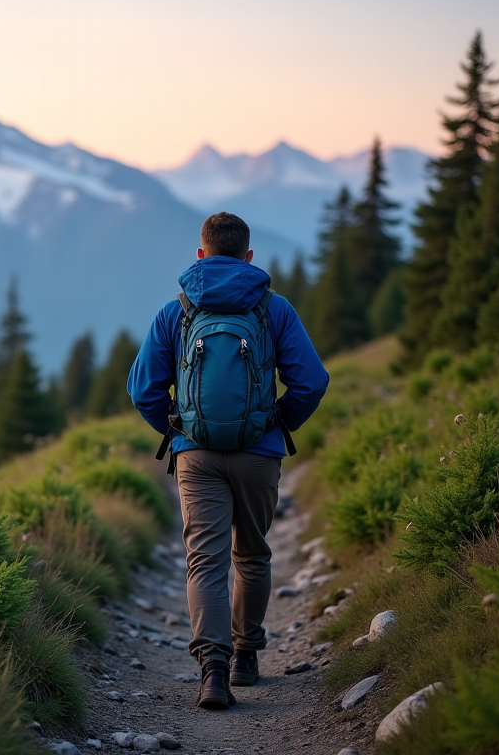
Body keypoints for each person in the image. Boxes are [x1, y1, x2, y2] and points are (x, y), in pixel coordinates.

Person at [128, 211, 329, 710]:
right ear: (249, 257)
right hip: (259, 452)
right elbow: (312, 381)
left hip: (196, 455)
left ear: (200, 255)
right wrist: (276, 421)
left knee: (205, 560)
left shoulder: (176, 311)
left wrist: (178, 428)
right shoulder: (273, 308)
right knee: (253, 553)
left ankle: (212, 672)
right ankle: (245, 655)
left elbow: (142, 389)